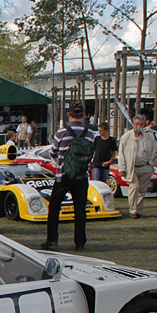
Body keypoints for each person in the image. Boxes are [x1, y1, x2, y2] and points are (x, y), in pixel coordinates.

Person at [41, 105, 96, 251]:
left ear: (68, 114)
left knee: (54, 208)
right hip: (81, 176)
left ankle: (52, 240)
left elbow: (53, 152)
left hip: (63, 174)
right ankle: (80, 243)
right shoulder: (90, 133)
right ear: (83, 115)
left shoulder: (62, 133)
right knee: (80, 210)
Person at [118, 115, 154, 218]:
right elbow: (121, 154)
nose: (138, 126)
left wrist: (151, 164)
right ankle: (132, 210)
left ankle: (139, 210)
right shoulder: (126, 137)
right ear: (133, 124)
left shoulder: (149, 137)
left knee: (142, 190)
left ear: (144, 125)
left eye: (141, 124)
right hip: (131, 167)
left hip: (145, 166)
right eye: (137, 124)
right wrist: (122, 168)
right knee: (134, 187)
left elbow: (153, 150)